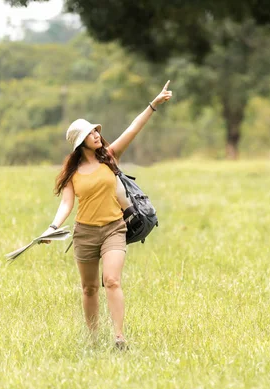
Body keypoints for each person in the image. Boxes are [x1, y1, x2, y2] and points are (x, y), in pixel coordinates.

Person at [40, 81, 172, 349]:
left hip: (114, 228)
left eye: (95, 131)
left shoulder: (110, 157)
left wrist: (153, 105)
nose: (96, 135)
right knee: (89, 289)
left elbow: (133, 128)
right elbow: (66, 204)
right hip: (85, 234)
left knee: (111, 280)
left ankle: (119, 337)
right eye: (90, 133)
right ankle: (91, 340)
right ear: (81, 143)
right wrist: (53, 227)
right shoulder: (72, 173)